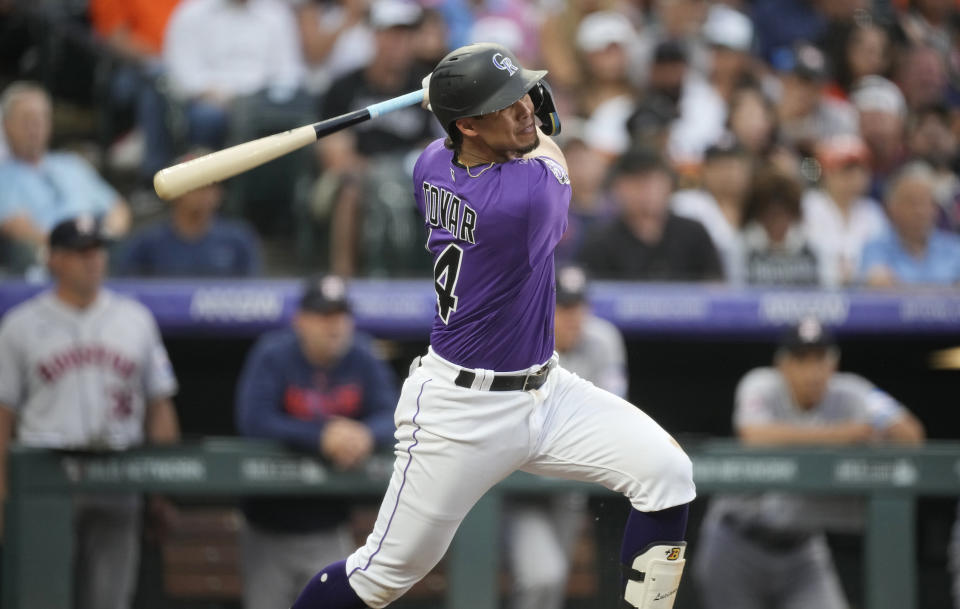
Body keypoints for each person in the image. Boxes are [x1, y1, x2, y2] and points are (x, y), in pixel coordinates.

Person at [289, 42, 696, 609]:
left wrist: (476, 101)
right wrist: (520, 115)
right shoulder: (523, 200)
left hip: (547, 391)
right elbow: (551, 146)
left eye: (523, 93)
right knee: (379, 577)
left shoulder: (432, 160)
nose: (527, 106)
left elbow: (490, 135)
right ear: (470, 127)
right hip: (459, 413)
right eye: (505, 103)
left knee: (668, 473)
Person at [0, 215, 180, 609]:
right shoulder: (19, 326)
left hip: (119, 470)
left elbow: (159, 406)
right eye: (81, 252)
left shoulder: (136, 319)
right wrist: (3, 491)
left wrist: (161, 486)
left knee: (110, 600)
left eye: (98, 251)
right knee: (40, 597)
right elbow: (3, 417)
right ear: (55, 260)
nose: (93, 260)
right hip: (45, 474)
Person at [693, 317, 925, 609]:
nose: (812, 370)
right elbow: (754, 436)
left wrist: (873, 429)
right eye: (801, 359)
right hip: (738, 541)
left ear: (834, 364)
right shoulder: (761, 383)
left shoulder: (853, 391)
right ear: (783, 364)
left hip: (803, 550)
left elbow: (912, 436)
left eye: (820, 359)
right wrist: (842, 435)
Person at [234, 274, 396, 609]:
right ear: (301, 321)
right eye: (324, 316)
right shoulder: (273, 354)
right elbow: (254, 420)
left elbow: (394, 413)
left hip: (329, 526)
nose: (335, 326)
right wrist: (321, 437)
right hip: (268, 526)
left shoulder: (363, 356)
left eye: (341, 316)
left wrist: (364, 434)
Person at [502, 264, 630, 609]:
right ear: (545, 306)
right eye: (564, 307)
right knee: (543, 575)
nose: (574, 317)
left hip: (567, 484)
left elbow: (612, 414)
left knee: (551, 586)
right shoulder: (519, 338)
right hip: (516, 484)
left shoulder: (603, 340)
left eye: (579, 306)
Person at [0, 82, 131, 268]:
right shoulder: (3, 176)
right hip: (49, 261)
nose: (35, 127)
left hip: (93, 253)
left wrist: (102, 240)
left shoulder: (71, 164)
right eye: (27, 119)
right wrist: (71, 249)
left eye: (41, 118)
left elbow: (118, 208)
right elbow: (15, 227)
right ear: (6, 126)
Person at [580, 146, 723, 281]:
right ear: (617, 188)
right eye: (636, 183)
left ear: (669, 185)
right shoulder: (600, 242)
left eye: (654, 182)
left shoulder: (694, 234)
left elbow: (716, 291)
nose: (647, 192)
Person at [114, 149, 262, 277]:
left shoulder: (238, 240)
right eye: (195, 184)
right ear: (175, 191)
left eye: (211, 184)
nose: (204, 192)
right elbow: (129, 293)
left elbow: (253, 296)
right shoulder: (147, 244)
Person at [802, 134, 888, 284]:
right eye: (846, 170)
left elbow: (882, 260)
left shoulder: (873, 212)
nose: (855, 178)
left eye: (860, 170)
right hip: (816, 293)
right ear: (827, 172)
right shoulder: (809, 205)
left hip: (863, 297)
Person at [860, 162, 960, 286]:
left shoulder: (954, 248)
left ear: (936, 208)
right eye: (911, 202)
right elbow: (878, 283)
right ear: (891, 208)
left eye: (925, 202)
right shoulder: (875, 247)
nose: (919, 210)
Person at [672, 138, 753, 283]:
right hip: (702, 292)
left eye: (735, 166)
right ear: (705, 170)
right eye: (720, 166)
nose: (729, 174)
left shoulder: (760, 207)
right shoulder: (687, 204)